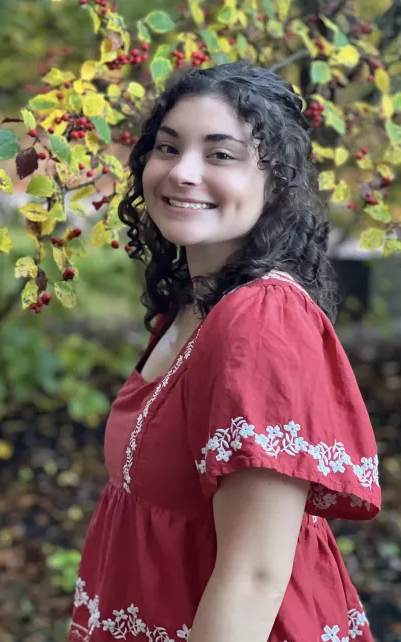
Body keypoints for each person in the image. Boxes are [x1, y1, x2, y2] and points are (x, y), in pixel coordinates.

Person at [67, 62, 381, 642]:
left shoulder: (262, 320)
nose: (183, 172)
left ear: (276, 181)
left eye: (220, 154)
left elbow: (255, 576)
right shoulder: (193, 304)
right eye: (168, 147)